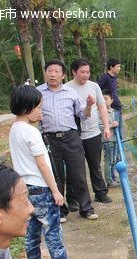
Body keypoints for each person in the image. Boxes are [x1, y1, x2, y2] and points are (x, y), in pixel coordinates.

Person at [9, 85, 83, 259]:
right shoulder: (31, 132)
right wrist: (56, 191)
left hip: (24, 190)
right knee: (53, 236)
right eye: (39, 107)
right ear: (27, 108)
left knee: (31, 235)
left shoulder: (14, 129)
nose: (42, 111)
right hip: (41, 190)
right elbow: (42, 165)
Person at [36, 59, 98, 221]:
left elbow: (83, 115)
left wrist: (90, 105)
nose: (53, 74)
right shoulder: (38, 93)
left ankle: (86, 208)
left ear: (63, 75)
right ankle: (60, 210)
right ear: (46, 73)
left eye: (57, 71)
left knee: (78, 173)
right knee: (55, 175)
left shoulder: (71, 93)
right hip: (49, 139)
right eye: (50, 71)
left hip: (71, 137)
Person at [65, 58, 112, 205]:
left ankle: (100, 193)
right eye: (82, 72)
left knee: (95, 165)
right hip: (74, 135)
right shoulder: (66, 88)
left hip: (93, 133)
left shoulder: (94, 86)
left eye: (88, 72)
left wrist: (106, 126)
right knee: (75, 169)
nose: (86, 75)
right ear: (74, 72)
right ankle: (73, 199)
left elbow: (102, 107)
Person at [97, 58, 123, 137]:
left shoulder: (114, 77)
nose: (119, 68)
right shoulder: (105, 77)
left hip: (117, 107)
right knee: (113, 133)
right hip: (111, 110)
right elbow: (97, 88)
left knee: (119, 130)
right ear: (111, 67)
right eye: (118, 67)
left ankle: (120, 149)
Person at [100, 89, 120, 187]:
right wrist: (111, 125)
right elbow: (99, 127)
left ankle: (113, 177)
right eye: (102, 99)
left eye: (106, 99)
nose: (104, 101)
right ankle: (109, 181)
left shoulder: (113, 111)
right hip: (106, 140)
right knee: (108, 160)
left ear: (112, 100)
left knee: (114, 160)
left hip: (114, 140)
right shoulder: (99, 112)